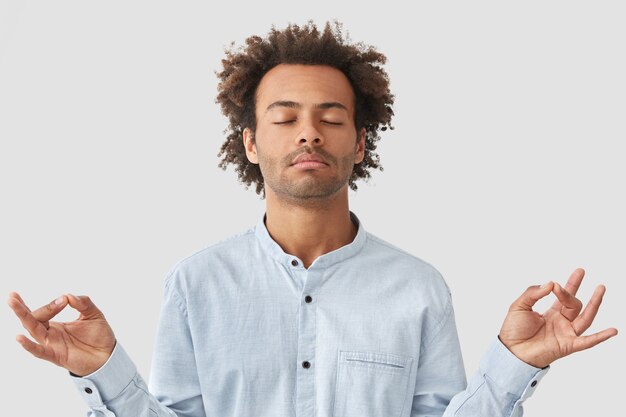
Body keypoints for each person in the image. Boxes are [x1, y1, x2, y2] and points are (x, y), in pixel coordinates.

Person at [8, 21, 618, 417]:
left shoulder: (419, 287)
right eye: (284, 117)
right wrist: (104, 374)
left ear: (359, 142)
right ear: (250, 143)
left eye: (331, 117)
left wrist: (516, 363)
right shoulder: (195, 283)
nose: (308, 132)